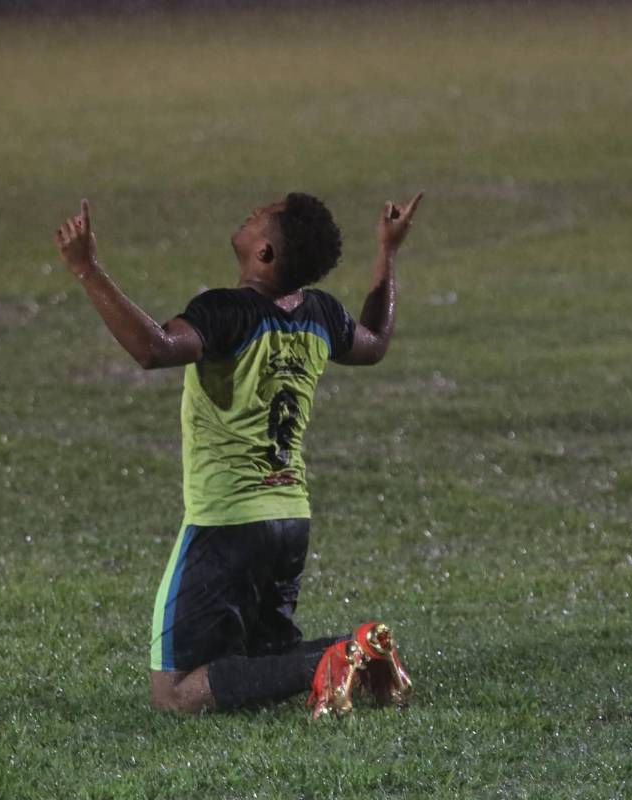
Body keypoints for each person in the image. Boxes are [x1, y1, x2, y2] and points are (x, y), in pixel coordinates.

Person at [55, 191, 422, 717]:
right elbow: (376, 342)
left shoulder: (226, 312)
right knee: (255, 658)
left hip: (228, 522)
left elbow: (154, 348)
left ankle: (329, 662)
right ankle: (360, 649)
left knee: (174, 692)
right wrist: (388, 252)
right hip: (290, 519)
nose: (249, 214)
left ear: (265, 253)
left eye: (258, 217)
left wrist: (87, 269)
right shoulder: (321, 313)